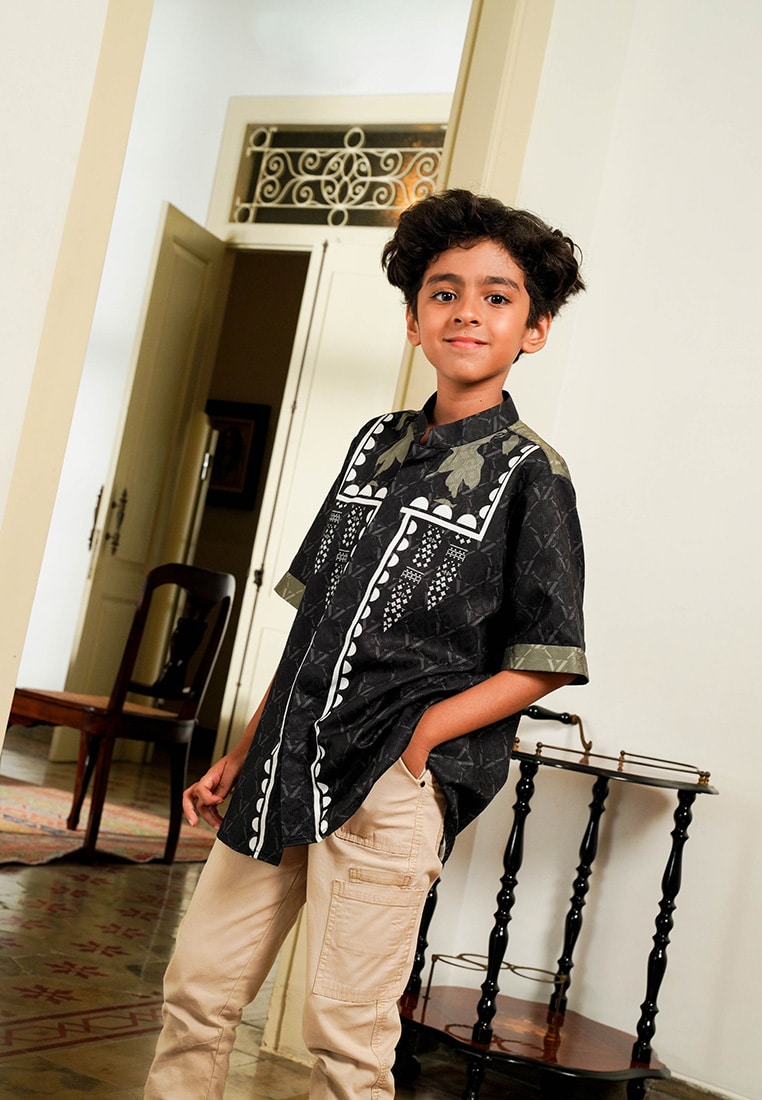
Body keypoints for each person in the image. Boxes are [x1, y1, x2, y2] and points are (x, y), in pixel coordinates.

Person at [144, 189, 588, 1100]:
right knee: (196, 992)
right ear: (415, 321)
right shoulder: (372, 445)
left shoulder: (534, 476)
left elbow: (546, 658)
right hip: (282, 761)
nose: (467, 312)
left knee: (346, 1041)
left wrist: (419, 739)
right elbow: (315, 622)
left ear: (535, 330)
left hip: (389, 783)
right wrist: (245, 747)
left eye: (497, 297)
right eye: (444, 293)